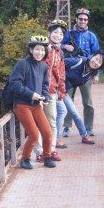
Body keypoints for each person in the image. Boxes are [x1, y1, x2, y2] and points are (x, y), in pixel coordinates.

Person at [7, 35, 56, 169]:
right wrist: (31, 94)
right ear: (31, 50)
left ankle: (47, 157)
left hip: (36, 104)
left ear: (46, 51)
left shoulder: (44, 66)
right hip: (22, 104)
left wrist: (45, 96)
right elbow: (14, 84)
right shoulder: (23, 64)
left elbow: (45, 86)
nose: (39, 52)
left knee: (47, 132)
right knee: (34, 134)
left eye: (42, 50)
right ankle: (25, 159)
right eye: (37, 49)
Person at [61, 7, 101, 137]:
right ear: (76, 19)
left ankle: (88, 127)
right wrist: (64, 46)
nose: (83, 21)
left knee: (88, 102)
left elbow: (97, 55)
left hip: (86, 72)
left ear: (87, 21)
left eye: (85, 19)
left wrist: (96, 73)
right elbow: (56, 44)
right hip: (70, 71)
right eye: (80, 19)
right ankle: (66, 127)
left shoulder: (91, 36)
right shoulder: (68, 34)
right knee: (67, 99)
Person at [58, 51, 104, 145]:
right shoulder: (77, 61)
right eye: (96, 58)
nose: (96, 62)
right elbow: (57, 64)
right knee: (62, 112)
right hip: (55, 89)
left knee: (74, 113)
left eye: (99, 62)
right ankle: (56, 139)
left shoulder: (90, 72)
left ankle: (84, 136)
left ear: (100, 66)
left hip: (63, 92)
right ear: (91, 56)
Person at [35, 19, 68, 164]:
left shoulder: (59, 52)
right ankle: (40, 152)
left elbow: (61, 72)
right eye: (55, 32)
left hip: (51, 91)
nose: (58, 35)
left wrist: (62, 90)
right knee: (39, 122)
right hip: (38, 91)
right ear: (49, 33)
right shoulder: (43, 49)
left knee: (52, 121)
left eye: (61, 34)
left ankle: (50, 150)